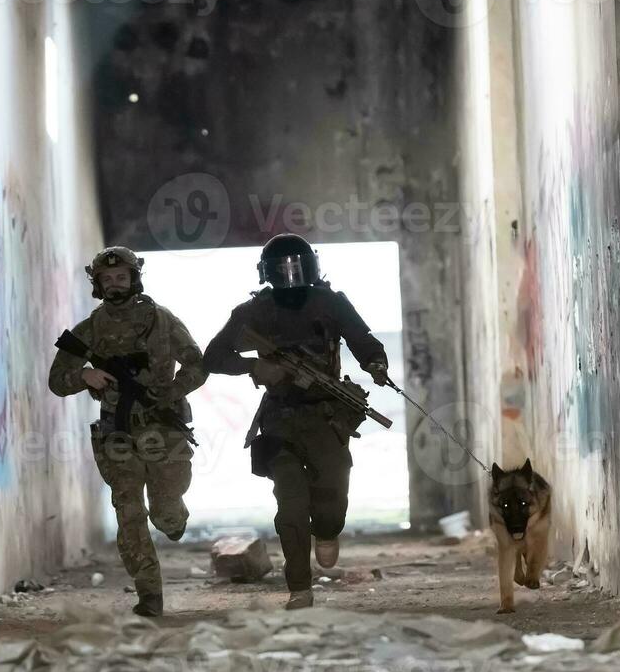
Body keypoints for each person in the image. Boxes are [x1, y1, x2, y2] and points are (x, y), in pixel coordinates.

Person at [203, 233, 390, 610]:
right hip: (279, 419)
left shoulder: (329, 303)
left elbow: (362, 338)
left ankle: (327, 531)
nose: (291, 276)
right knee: (290, 504)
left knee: (332, 497)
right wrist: (256, 366)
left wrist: (376, 363)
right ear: (267, 273)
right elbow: (214, 356)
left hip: (326, 415)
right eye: (282, 269)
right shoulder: (255, 311)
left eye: (298, 267)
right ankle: (299, 587)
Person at [48, 246, 207, 617]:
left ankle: (172, 517)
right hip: (117, 432)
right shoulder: (90, 329)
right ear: (98, 284)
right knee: (128, 509)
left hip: (164, 429)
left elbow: (198, 364)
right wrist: (84, 375)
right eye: (107, 279)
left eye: (121, 278)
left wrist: (170, 391)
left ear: (134, 278)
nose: (115, 285)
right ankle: (149, 593)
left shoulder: (161, 319)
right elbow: (57, 380)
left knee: (166, 512)